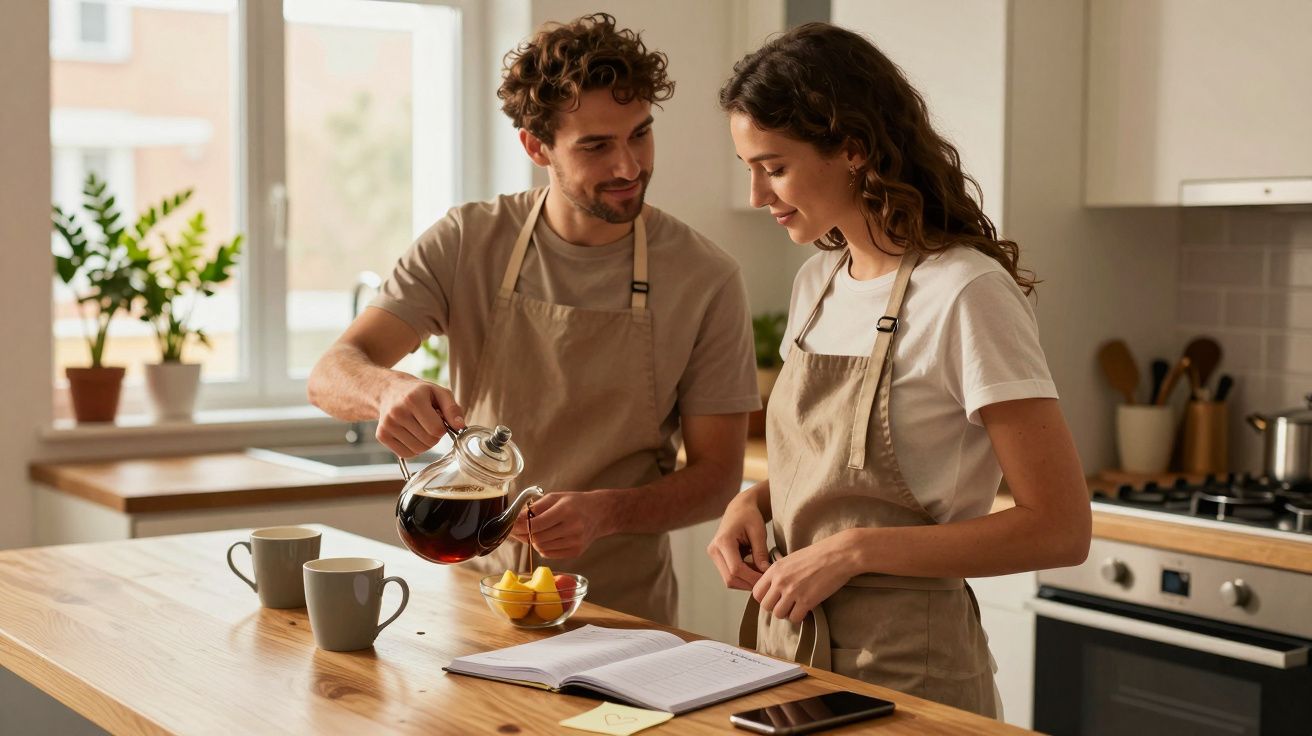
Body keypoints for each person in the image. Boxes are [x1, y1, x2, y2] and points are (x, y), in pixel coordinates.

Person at [309, 13, 760, 625]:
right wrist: (387, 388)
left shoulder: (705, 277)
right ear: (535, 145)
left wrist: (606, 512)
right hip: (468, 596)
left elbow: (715, 477)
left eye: (640, 134)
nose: (629, 166)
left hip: (618, 611)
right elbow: (333, 372)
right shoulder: (469, 239)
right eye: (597, 146)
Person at [706, 23, 1090, 717]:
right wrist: (751, 504)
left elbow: (1060, 527)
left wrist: (854, 551)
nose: (759, 194)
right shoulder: (818, 282)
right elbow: (821, 466)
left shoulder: (966, 292)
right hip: (787, 653)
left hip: (909, 676)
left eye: (775, 166)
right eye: (749, 167)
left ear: (853, 148)